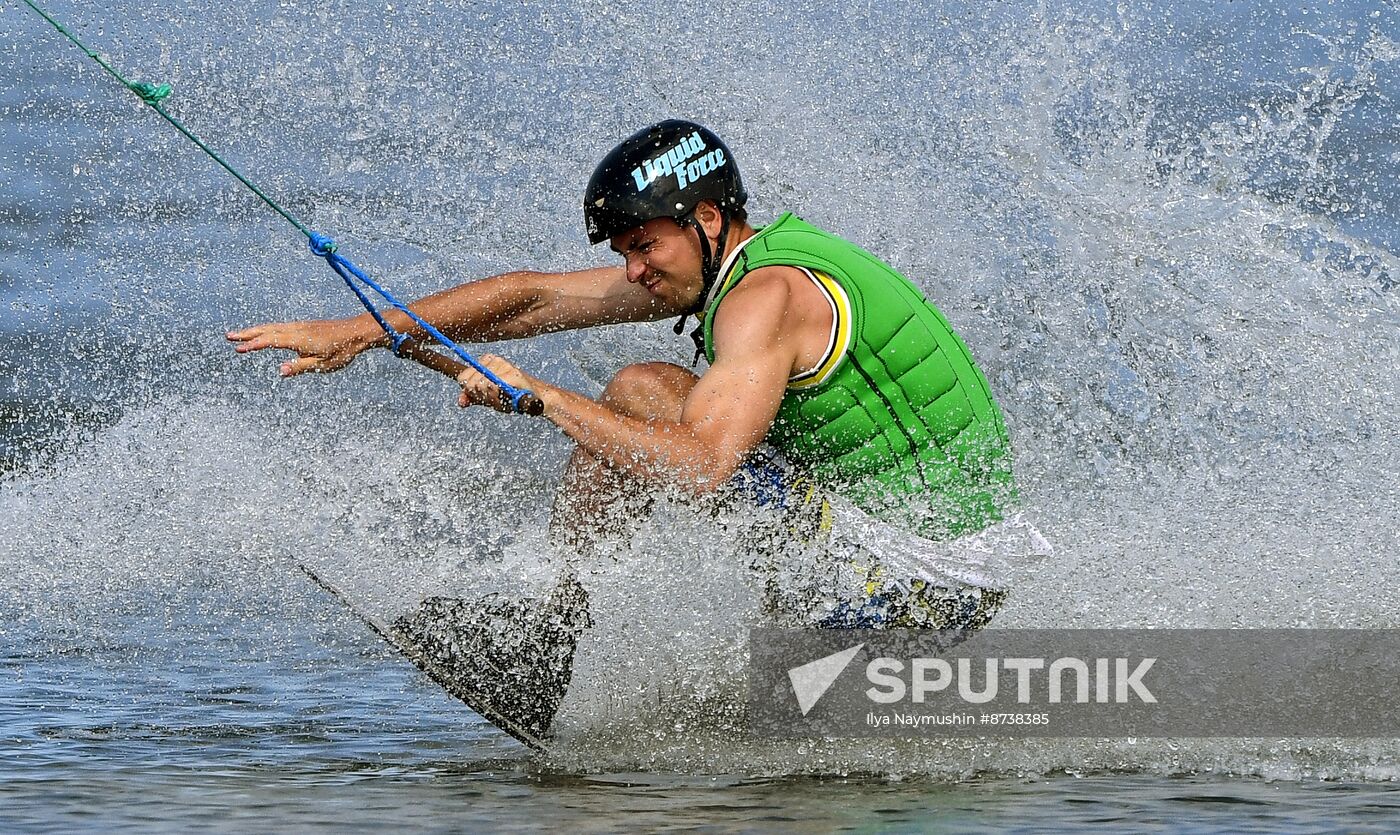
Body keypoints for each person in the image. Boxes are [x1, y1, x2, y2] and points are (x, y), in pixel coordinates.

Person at [229, 120, 1046, 736]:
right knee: (647, 393)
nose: (633, 271)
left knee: (638, 393)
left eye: (645, 245)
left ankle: (547, 645)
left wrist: (544, 398)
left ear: (706, 219)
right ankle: (604, 654)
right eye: (623, 251)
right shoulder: (725, 266)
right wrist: (362, 331)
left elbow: (703, 468)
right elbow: (534, 297)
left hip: (925, 594)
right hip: (914, 566)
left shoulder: (769, 297)